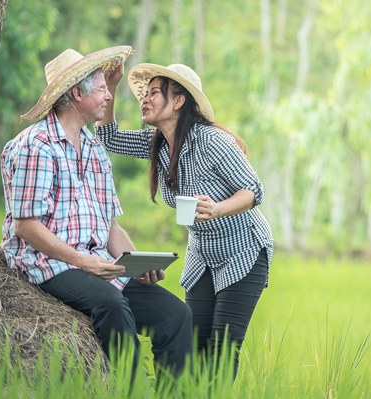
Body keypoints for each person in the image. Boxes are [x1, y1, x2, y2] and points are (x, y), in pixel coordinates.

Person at [0, 47, 193, 377]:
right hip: (47, 262)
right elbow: (26, 226)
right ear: (77, 93)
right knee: (111, 304)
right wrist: (82, 260)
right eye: (103, 89)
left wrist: (135, 262)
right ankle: (129, 391)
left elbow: (109, 225)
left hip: (93, 262)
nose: (108, 97)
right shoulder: (38, 145)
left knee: (176, 315)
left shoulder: (93, 149)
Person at [95, 62, 274, 378]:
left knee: (221, 352)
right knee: (191, 345)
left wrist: (217, 208)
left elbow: (253, 190)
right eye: (144, 94)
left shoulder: (211, 141)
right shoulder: (157, 144)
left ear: (179, 101)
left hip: (242, 252)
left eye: (154, 93)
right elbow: (109, 138)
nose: (144, 100)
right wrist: (110, 87)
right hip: (202, 254)